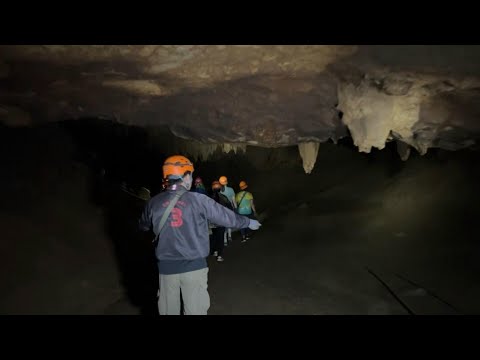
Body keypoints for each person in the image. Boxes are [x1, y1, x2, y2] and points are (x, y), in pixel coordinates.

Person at [138, 155, 261, 315]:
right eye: (190, 175)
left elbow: (143, 226)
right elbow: (225, 216)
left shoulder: (153, 203)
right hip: (194, 267)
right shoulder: (198, 200)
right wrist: (247, 222)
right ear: (186, 176)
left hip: (166, 269)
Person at [209, 181, 232, 262]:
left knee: (214, 236)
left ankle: (214, 251)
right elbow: (230, 208)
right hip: (221, 221)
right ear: (220, 189)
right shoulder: (224, 197)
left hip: (212, 221)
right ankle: (219, 255)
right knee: (220, 238)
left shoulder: (209, 198)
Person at [219, 176, 236, 244]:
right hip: (230, 209)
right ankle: (229, 236)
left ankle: (225, 240)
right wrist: (235, 209)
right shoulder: (231, 190)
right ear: (226, 182)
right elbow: (234, 201)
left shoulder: (219, 191)